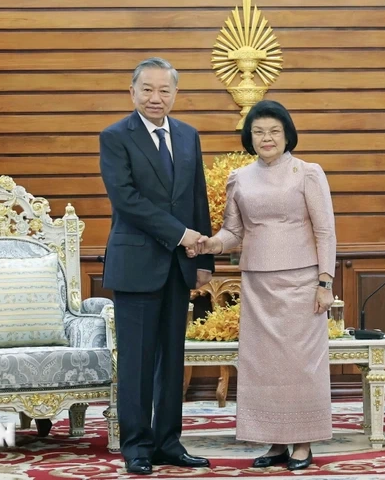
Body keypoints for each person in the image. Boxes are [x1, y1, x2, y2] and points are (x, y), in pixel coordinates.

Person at [190, 100, 335, 471]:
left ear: (287, 134)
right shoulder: (240, 177)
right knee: (264, 366)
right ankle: (274, 443)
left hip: (302, 282)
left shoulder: (308, 172)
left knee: (299, 364)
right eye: (258, 132)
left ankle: (302, 443)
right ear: (249, 137)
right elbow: (234, 231)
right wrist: (212, 244)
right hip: (256, 283)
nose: (266, 138)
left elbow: (325, 231)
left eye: (273, 131)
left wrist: (325, 282)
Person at [99, 57, 215, 476]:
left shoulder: (188, 136)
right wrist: (181, 235)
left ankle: (168, 442)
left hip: (179, 268)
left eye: (164, 90)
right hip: (136, 265)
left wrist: (203, 259)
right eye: (147, 89)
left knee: (171, 359)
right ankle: (137, 446)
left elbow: (197, 197)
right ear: (132, 92)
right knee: (137, 360)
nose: (156, 98)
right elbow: (126, 200)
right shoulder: (115, 137)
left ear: (175, 94)